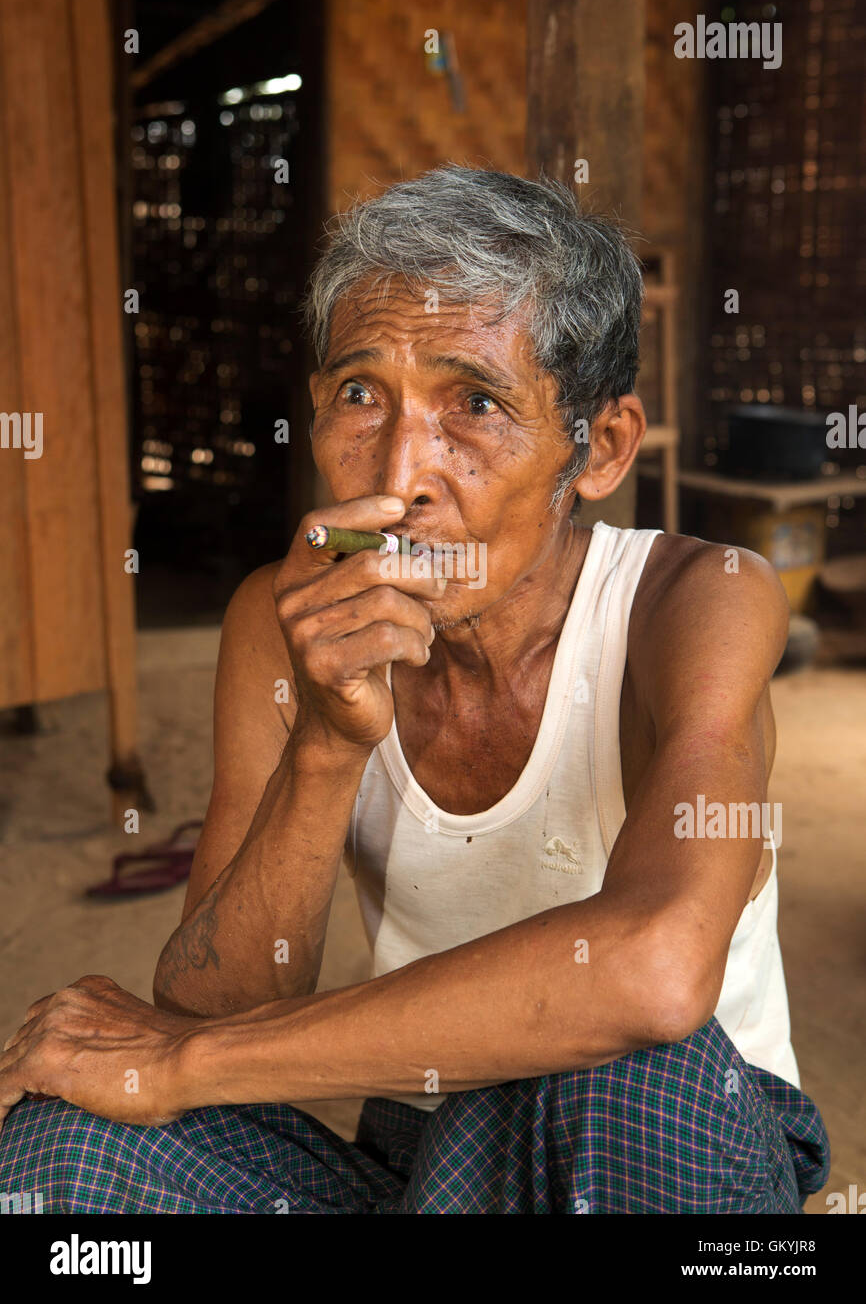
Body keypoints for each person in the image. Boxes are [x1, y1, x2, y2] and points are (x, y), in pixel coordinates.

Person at [0, 167, 829, 1213]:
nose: (401, 470)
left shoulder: (695, 601)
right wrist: (325, 742)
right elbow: (214, 999)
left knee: (622, 1073)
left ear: (600, 446)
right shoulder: (286, 617)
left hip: (671, 1141)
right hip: (425, 1148)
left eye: (473, 403)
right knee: (65, 1143)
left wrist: (179, 1066)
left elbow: (655, 969)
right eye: (360, 395)